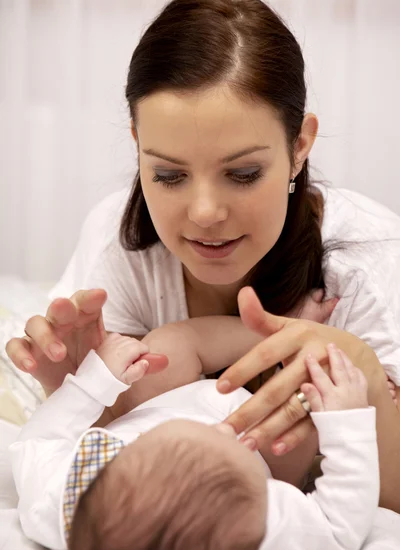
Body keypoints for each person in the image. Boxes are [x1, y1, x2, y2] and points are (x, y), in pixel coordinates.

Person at [5, 0, 400, 511]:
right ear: (138, 145)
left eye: (242, 174)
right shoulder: (121, 244)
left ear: (299, 146)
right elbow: (106, 460)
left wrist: (362, 366)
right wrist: (69, 394)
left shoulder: (366, 267)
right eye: (168, 176)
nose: (206, 213)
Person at [10, 325, 379, 550]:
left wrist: (94, 382)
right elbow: (339, 525)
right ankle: (305, 346)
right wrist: (347, 421)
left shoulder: (64, 501)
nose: (223, 431)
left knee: (166, 346)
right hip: (262, 435)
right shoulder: (249, 531)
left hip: (166, 396)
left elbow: (38, 441)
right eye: (229, 448)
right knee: (304, 404)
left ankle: (281, 332)